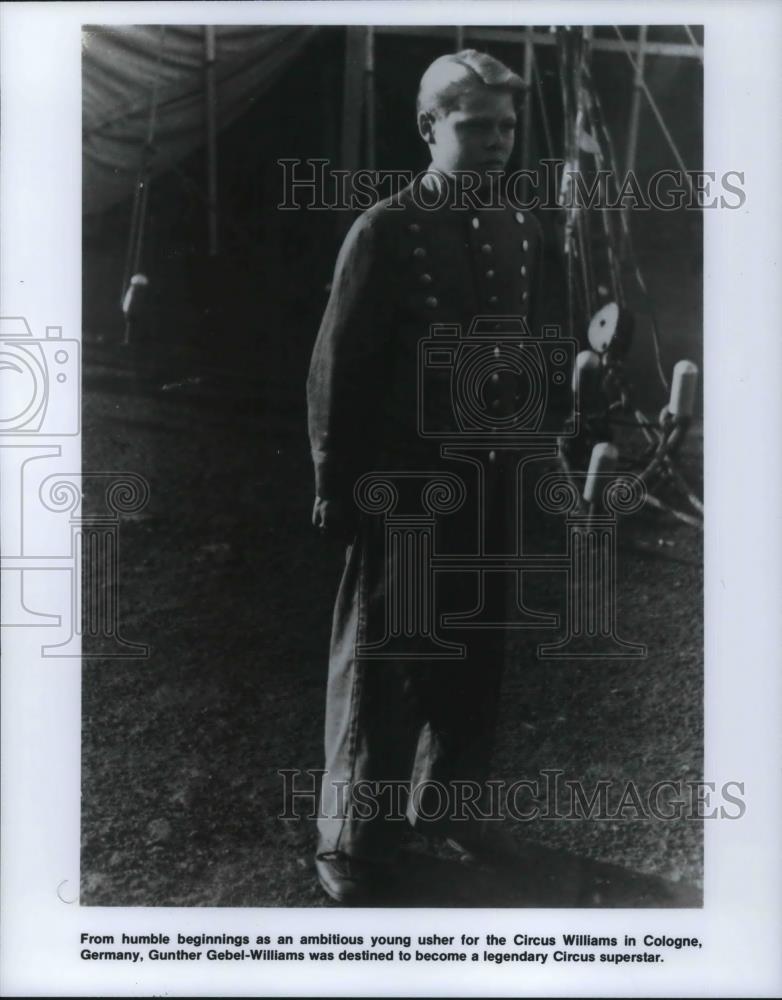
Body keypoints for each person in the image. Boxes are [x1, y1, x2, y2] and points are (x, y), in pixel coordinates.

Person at [306, 49, 545, 904]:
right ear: (429, 128)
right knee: (387, 657)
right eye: (476, 126)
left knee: (476, 650)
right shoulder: (387, 230)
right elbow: (339, 366)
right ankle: (355, 840)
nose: (496, 143)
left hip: (488, 477)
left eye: (506, 128)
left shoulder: (519, 225)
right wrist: (336, 479)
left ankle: (452, 805)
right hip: (404, 480)